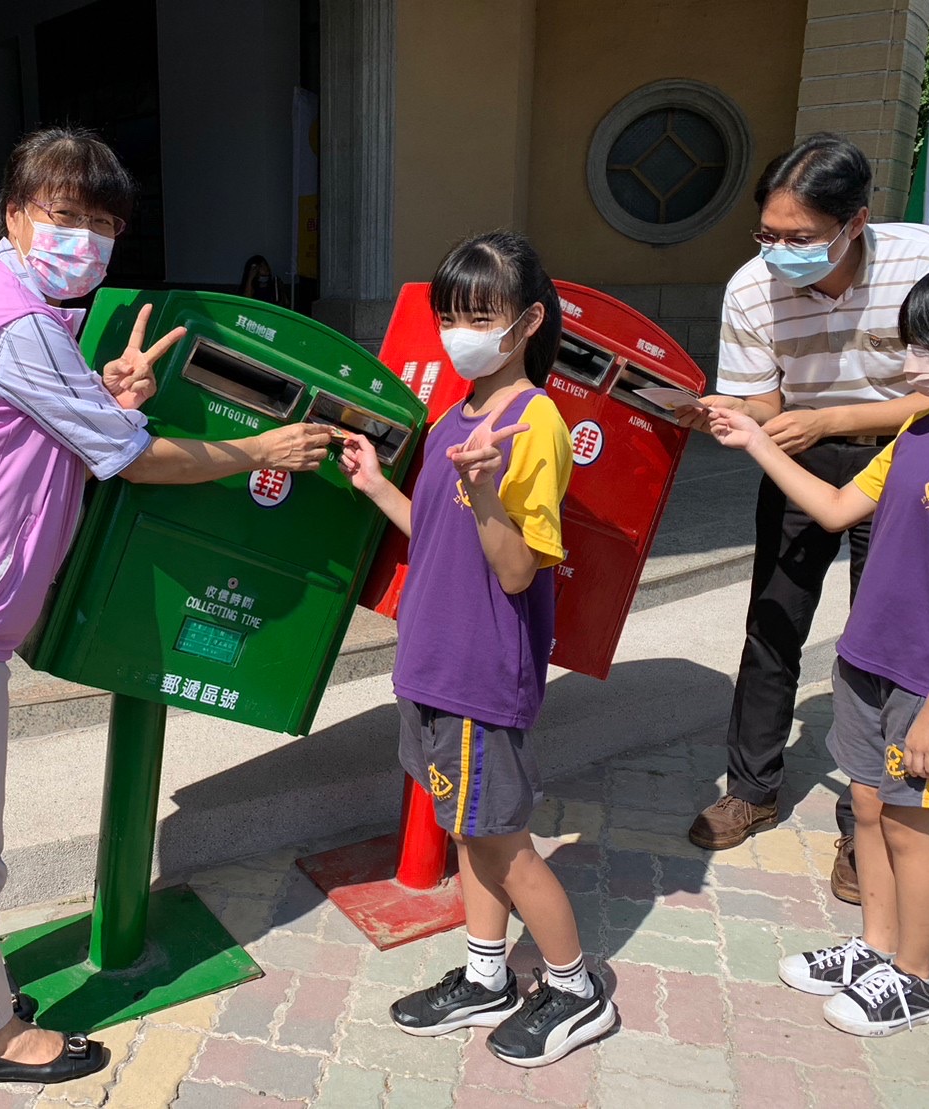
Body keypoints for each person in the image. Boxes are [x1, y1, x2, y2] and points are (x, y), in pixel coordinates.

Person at [0, 127, 331, 1086]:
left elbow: (43, 428)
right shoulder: (19, 323)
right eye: (63, 216)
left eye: (102, 223)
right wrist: (257, 449)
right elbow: (137, 459)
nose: (84, 239)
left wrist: (105, 392)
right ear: (14, 213)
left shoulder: (11, 307)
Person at [706, 255, 929, 1036]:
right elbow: (837, 507)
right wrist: (754, 442)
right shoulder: (918, 424)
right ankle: (874, 947)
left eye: (924, 348)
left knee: (916, 825)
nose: (909, 366)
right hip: (867, 660)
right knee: (869, 808)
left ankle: (914, 975)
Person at [339, 231, 616, 1067]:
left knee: (502, 841)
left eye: (481, 314)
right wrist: (379, 485)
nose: (462, 330)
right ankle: (486, 973)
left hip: (479, 673)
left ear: (528, 321)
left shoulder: (534, 426)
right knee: (469, 829)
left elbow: (513, 568)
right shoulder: (458, 411)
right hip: (431, 660)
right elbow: (440, 538)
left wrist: (486, 489)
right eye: (451, 314)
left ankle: (575, 989)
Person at [680, 134, 929, 905]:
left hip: (906, 461)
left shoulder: (923, 260)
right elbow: (765, 401)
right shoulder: (750, 288)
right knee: (771, 622)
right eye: (766, 235)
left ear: (855, 222)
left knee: (878, 643)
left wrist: (831, 417)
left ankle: (860, 822)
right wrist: (718, 411)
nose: (778, 253)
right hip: (798, 458)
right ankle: (751, 787)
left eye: (797, 238)